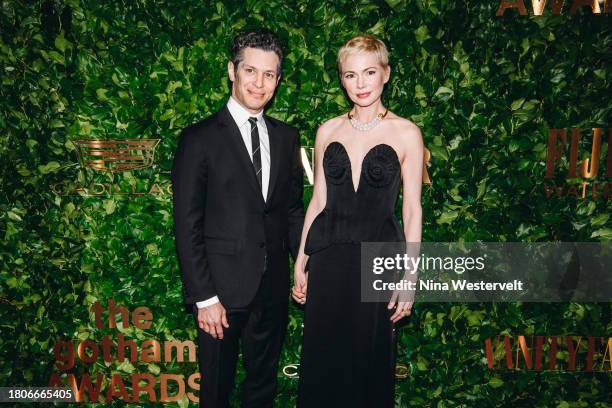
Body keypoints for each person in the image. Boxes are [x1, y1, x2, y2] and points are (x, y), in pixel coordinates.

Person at [171, 29, 304, 408]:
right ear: (232, 71)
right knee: (216, 391)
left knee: (262, 389)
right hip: (220, 294)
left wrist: (302, 265)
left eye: (269, 74)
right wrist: (204, 297)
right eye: (250, 71)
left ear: (278, 79)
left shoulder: (286, 138)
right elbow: (186, 224)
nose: (259, 83)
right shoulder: (198, 139)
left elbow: (292, 210)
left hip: (273, 288)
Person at [292, 34, 423, 407]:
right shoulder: (327, 130)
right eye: (350, 75)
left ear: (386, 74)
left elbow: (412, 209)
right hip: (328, 259)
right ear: (342, 79)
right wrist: (301, 261)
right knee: (323, 358)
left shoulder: (406, 132)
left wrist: (410, 278)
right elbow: (318, 200)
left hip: (377, 262)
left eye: (369, 72)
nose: (360, 84)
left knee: (367, 360)